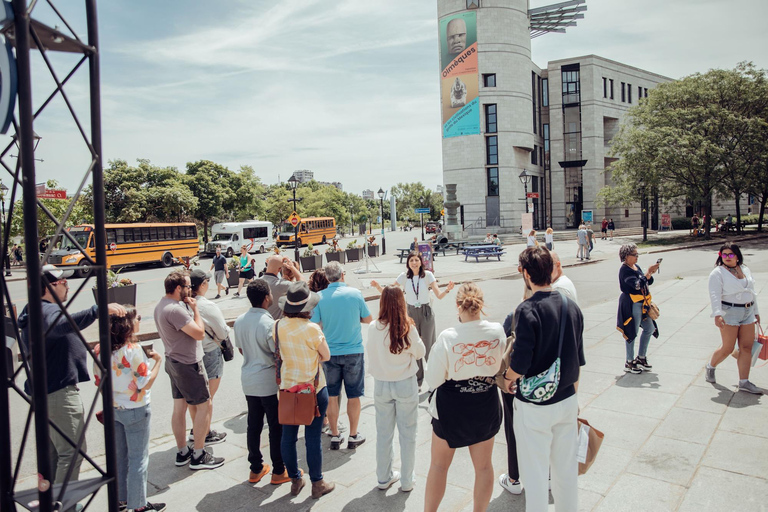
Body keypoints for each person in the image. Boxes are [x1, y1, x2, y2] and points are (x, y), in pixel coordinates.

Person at [18, 266, 127, 492]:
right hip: (58, 393)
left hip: (48, 391)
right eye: (63, 283)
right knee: (72, 452)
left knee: (58, 453)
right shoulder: (46, 311)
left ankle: (55, 501)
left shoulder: (39, 310)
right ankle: (64, 505)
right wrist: (98, 310)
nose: (68, 285)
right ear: (49, 287)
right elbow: (63, 324)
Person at [504, 246, 585, 512]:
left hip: (535, 406)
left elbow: (521, 360)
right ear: (551, 270)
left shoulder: (526, 310)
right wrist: (574, 396)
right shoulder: (571, 307)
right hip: (567, 399)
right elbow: (578, 357)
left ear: (526, 274)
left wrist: (508, 378)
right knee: (565, 473)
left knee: (536, 475)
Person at [424, 283, 505, 512]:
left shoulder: (448, 337)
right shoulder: (496, 330)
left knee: (439, 467)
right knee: (484, 468)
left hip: (452, 406)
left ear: (458, 306)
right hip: (485, 402)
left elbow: (433, 379)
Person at [95, 308, 165, 512]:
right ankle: (139, 505)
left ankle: (122, 499)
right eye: (137, 320)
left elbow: (98, 381)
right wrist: (158, 361)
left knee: (120, 456)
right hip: (135, 408)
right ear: (127, 327)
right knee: (138, 459)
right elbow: (145, 383)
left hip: (113, 407)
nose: (139, 322)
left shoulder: (100, 350)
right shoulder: (133, 350)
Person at [154, 269, 225, 470]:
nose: (190, 291)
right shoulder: (175, 310)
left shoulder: (161, 305)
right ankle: (199, 454)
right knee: (204, 406)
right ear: (178, 288)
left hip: (173, 360)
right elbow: (199, 333)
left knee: (179, 408)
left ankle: (182, 451)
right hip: (188, 363)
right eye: (186, 287)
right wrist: (195, 311)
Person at [275, 282, 335, 499]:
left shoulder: (278, 325)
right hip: (313, 389)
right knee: (312, 438)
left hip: (288, 389)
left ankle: (295, 479)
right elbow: (326, 355)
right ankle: (317, 483)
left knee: (287, 437)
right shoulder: (312, 329)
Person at [367, 286, 426, 492]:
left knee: (384, 434)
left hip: (382, 384)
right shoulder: (407, 327)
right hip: (405, 383)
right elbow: (420, 352)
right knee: (408, 434)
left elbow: (371, 355)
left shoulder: (374, 327)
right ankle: (407, 481)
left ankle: (383, 477)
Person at [311, 261, 373, 450]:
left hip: (330, 352)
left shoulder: (319, 297)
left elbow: (314, 325)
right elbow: (369, 319)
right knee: (354, 395)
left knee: (332, 395)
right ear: (342, 275)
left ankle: (336, 433)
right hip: (353, 350)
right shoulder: (355, 294)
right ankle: (353, 434)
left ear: (327, 277)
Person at [233, 279, 290, 484]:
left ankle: (255, 468)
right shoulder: (268, 323)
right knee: (276, 426)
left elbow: (240, 349)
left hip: (248, 378)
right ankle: (278, 469)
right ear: (267, 298)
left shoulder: (239, 320)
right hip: (267, 380)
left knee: (254, 424)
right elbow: (278, 352)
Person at [370, 252, 455, 387]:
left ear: (421, 262)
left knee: (429, 346)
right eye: (411, 261)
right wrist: (378, 287)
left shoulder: (428, 275)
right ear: (408, 263)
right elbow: (389, 293)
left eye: (416, 260)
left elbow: (438, 295)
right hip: (409, 312)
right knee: (414, 345)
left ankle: (436, 380)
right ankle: (418, 381)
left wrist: (448, 290)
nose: (414, 263)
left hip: (426, 312)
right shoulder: (404, 277)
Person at [705, 243, 761, 393]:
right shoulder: (717, 273)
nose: (727, 257)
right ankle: (710, 366)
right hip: (729, 311)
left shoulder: (745, 269)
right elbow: (715, 295)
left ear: (737, 256)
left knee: (746, 347)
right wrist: (717, 314)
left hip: (748, 311)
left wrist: (756, 311)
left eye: (730, 254)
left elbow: (751, 291)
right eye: (724, 255)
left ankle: (744, 382)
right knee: (728, 348)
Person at [188, 269, 229, 446]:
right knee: (207, 399)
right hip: (210, 352)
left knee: (194, 399)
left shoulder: (182, 304)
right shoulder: (206, 306)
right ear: (203, 284)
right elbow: (222, 331)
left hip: (190, 353)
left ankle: (196, 429)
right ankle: (205, 432)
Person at [616, 244, 660, 374]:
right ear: (626, 256)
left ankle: (641, 358)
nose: (637, 257)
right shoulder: (624, 270)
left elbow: (647, 282)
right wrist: (647, 273)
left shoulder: (635, 267)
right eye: (634, 255)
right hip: (631, 303)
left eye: (637, 254)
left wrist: (650, 273)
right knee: (631, 332)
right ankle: (629, 362)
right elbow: (636, 285)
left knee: (650, 328)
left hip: (642, 303)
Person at [262, 255, 304, 320]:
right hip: (276, 324)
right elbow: (303, 284)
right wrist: (292, 267)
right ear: (279, 269)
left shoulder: (256, 282)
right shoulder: (282, 284)